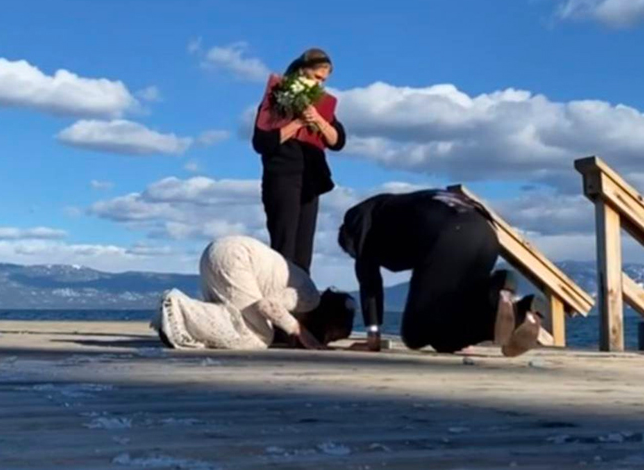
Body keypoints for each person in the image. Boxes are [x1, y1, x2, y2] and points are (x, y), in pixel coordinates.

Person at [338, 188, 547, 356]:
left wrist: (372, 336)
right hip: (487, 235)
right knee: (446, 331)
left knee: (416, 335)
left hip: (447, 236)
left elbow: (369, 281)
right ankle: (517, 307)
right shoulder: (401, 207)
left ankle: (497, 297)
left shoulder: (357, 220)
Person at [153, 235, 356, 350]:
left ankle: (177, 320)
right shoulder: (310, 297)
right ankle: (177, 309)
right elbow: (267, 306)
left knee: (237, 319)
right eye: (329, 337)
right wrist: (299, 331)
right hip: (236, 258)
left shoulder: (306, 289)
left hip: (222, 251)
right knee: (259, 337)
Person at [252, 48, 346, 274]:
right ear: (302, 72)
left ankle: (300, 304)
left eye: (323, 81)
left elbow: (338, 141)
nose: (319, 85)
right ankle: (277, 297)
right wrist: (297, 123)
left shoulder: (322, 107)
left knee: (303, 252)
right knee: (285, 244)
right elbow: (262, 143)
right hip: (283, 176)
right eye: (316, 78)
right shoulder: (275, 100)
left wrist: (319, 120)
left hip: (310, 180)